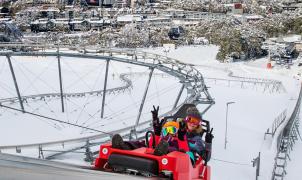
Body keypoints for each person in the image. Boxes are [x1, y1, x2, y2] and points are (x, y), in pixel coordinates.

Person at [111, 106, 188, 156]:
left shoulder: (178, 141)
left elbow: (185, 151)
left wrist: (181, 137)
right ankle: (123, 146)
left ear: (177, 131)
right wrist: (157, 133)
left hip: (169, 154)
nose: (168, 133)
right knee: (139, 144)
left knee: (172, 150)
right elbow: (150, 146)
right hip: (153, 151)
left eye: (172, 130)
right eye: (166, 130)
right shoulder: (162, 138)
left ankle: (161, 152)